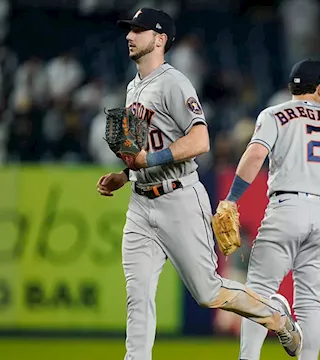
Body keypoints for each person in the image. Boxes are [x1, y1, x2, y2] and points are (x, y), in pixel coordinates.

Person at [95, 8, 301, 360]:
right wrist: (125, 174)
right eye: (129, 30)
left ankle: (275, 315)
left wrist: (149, 161)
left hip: (178, 198)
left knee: (208, 292)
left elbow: (201, 140)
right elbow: (143, 150)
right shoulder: (133, 87)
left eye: (139, 30)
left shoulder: (175, 82)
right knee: (138, 294)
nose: (130, 36)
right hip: (140, 204)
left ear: (160, 39)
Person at [216, 59, 320, 360]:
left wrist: (231, 197)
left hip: (286, 206)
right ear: (319, 88)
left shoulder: (275, 114)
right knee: (310, 303)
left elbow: (255, 155)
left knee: (257, 292)